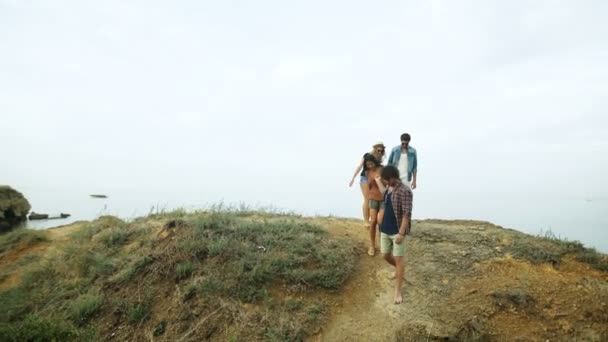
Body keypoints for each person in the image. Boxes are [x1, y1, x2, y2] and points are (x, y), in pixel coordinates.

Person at [374, 165, 413, 304]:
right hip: (384, 229)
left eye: (385, 180)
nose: (384, 182)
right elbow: (385, 193)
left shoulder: (404, 191)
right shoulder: (389, 188)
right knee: (385, 254)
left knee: (399, 259)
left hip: (397, 231)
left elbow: (406, 214)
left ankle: (397, 291)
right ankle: (398, 270)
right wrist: (378, 181)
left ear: (391, 178)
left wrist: (402, 233)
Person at [349, 143, 386, 225]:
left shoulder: (379, 160)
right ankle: (366, 220)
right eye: (378, 150)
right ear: (374, 149)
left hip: (375, 179)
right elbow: (359, 166)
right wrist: (353, 178)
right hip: (365, 177)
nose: (380, 152)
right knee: (367, 198)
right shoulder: (367, 155)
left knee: (373, 199)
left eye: (381, 151)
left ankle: (372, 219)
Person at [365, 154, 384, 256]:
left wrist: (380, 180)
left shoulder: (382, 169)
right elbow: (368, 187)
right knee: (373, 222)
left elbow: (388, 182)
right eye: (368, 165)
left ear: (374, 162)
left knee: (381, 221)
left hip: (383, 198)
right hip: (372, 198)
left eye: (371, 164)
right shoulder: (367, 172)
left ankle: (383, 244)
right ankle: (372, 245)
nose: (370, 166)